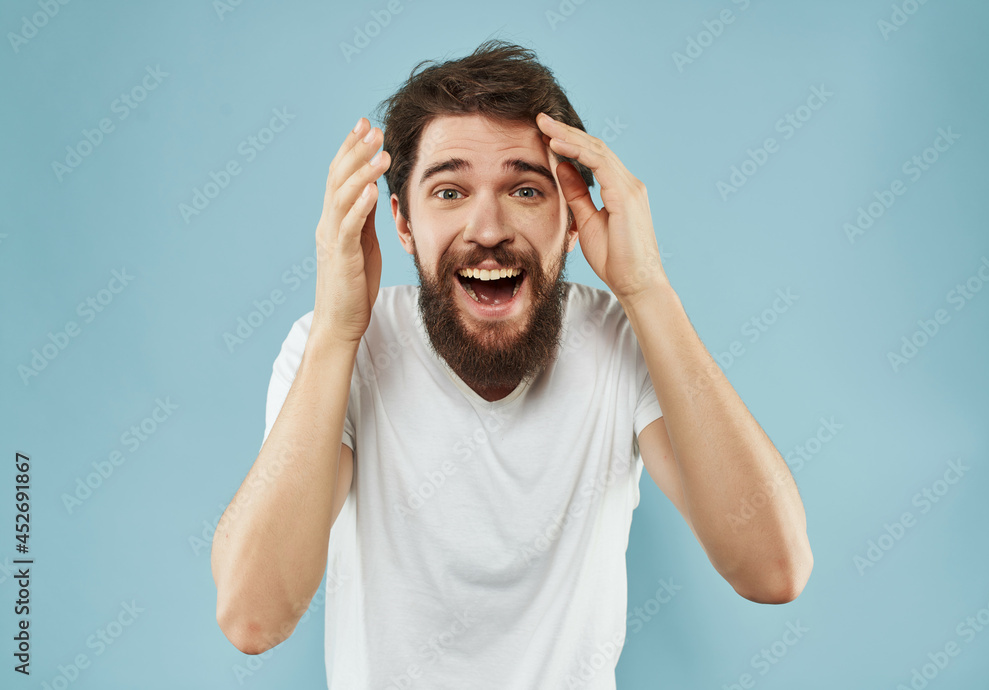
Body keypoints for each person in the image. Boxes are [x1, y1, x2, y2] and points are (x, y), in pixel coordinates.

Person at [210, 39, 813, 688]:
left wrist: (647, 289)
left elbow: (773, 570)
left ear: (572, 218)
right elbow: (252, 618)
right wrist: (335, 332)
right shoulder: (335, 346)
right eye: (448, 191)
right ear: (402, 223)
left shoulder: (620, 339)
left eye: (526, 189)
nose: (488, 226)